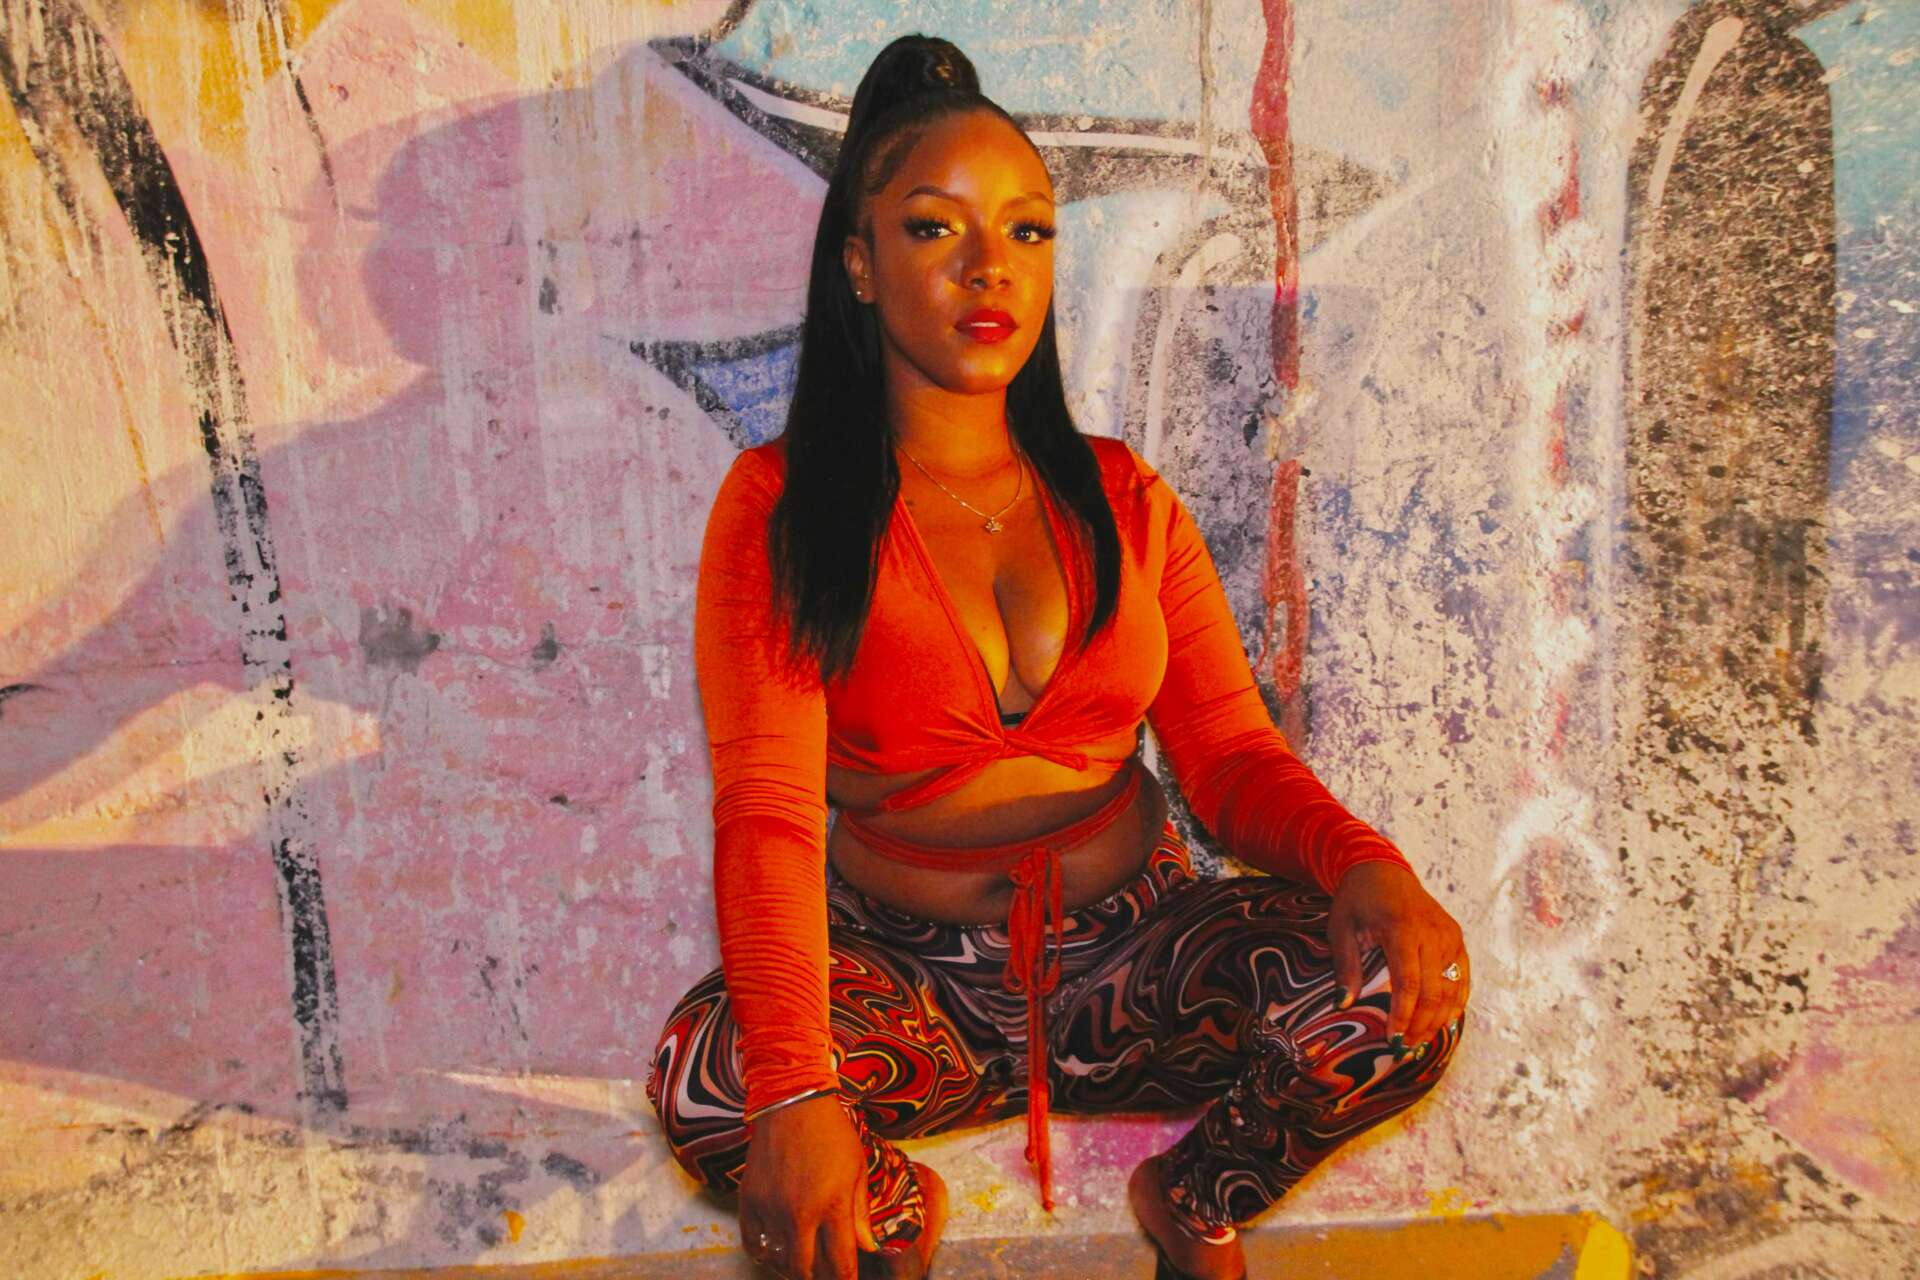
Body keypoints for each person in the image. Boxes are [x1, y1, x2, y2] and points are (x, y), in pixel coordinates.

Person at [646, 34, 1470, 1280]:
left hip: (1140, 968)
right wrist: (800, 1091)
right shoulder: (782, 506)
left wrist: (1365, 861)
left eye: (1028, 229)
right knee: (712, 1078)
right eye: (936, 227)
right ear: (860, 263)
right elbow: (765, 809)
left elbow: (1229, 756)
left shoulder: (1125, 497)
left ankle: (1195, 1194)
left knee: (1400, 986)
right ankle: (891, 1215)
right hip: (910, 992)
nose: (992, 266)